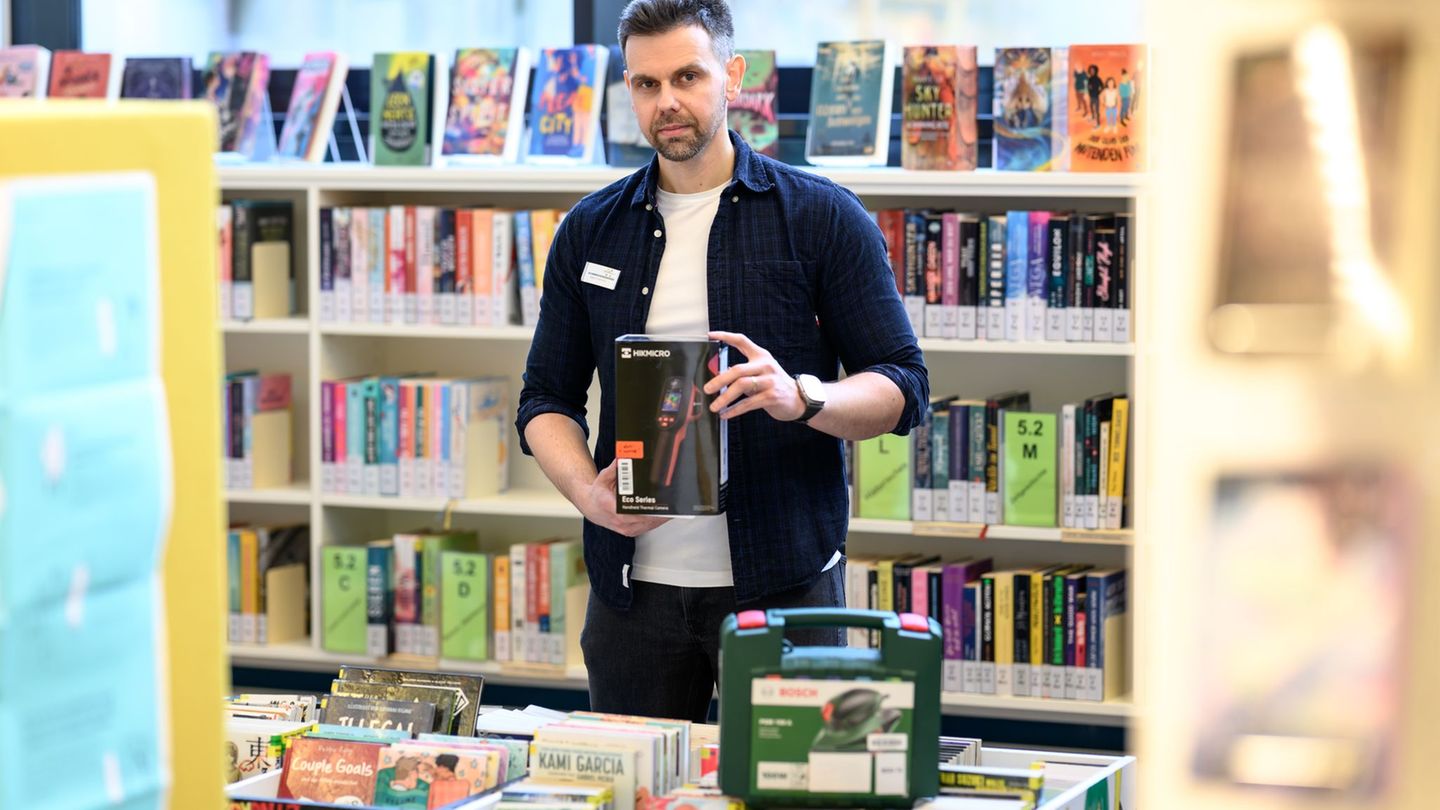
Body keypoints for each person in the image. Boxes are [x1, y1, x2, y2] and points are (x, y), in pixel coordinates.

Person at [516, 0, 928, 723]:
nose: (667, 102)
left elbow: (904, 385)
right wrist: (587, 494)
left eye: (687, 76)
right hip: (631, 596)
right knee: (635, 783)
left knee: (790, 782)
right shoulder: (589, 230)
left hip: (783, 590)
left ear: (732, 76)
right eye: (646, 84)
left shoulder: (823, 217)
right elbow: (544, 399)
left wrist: (803, 396)